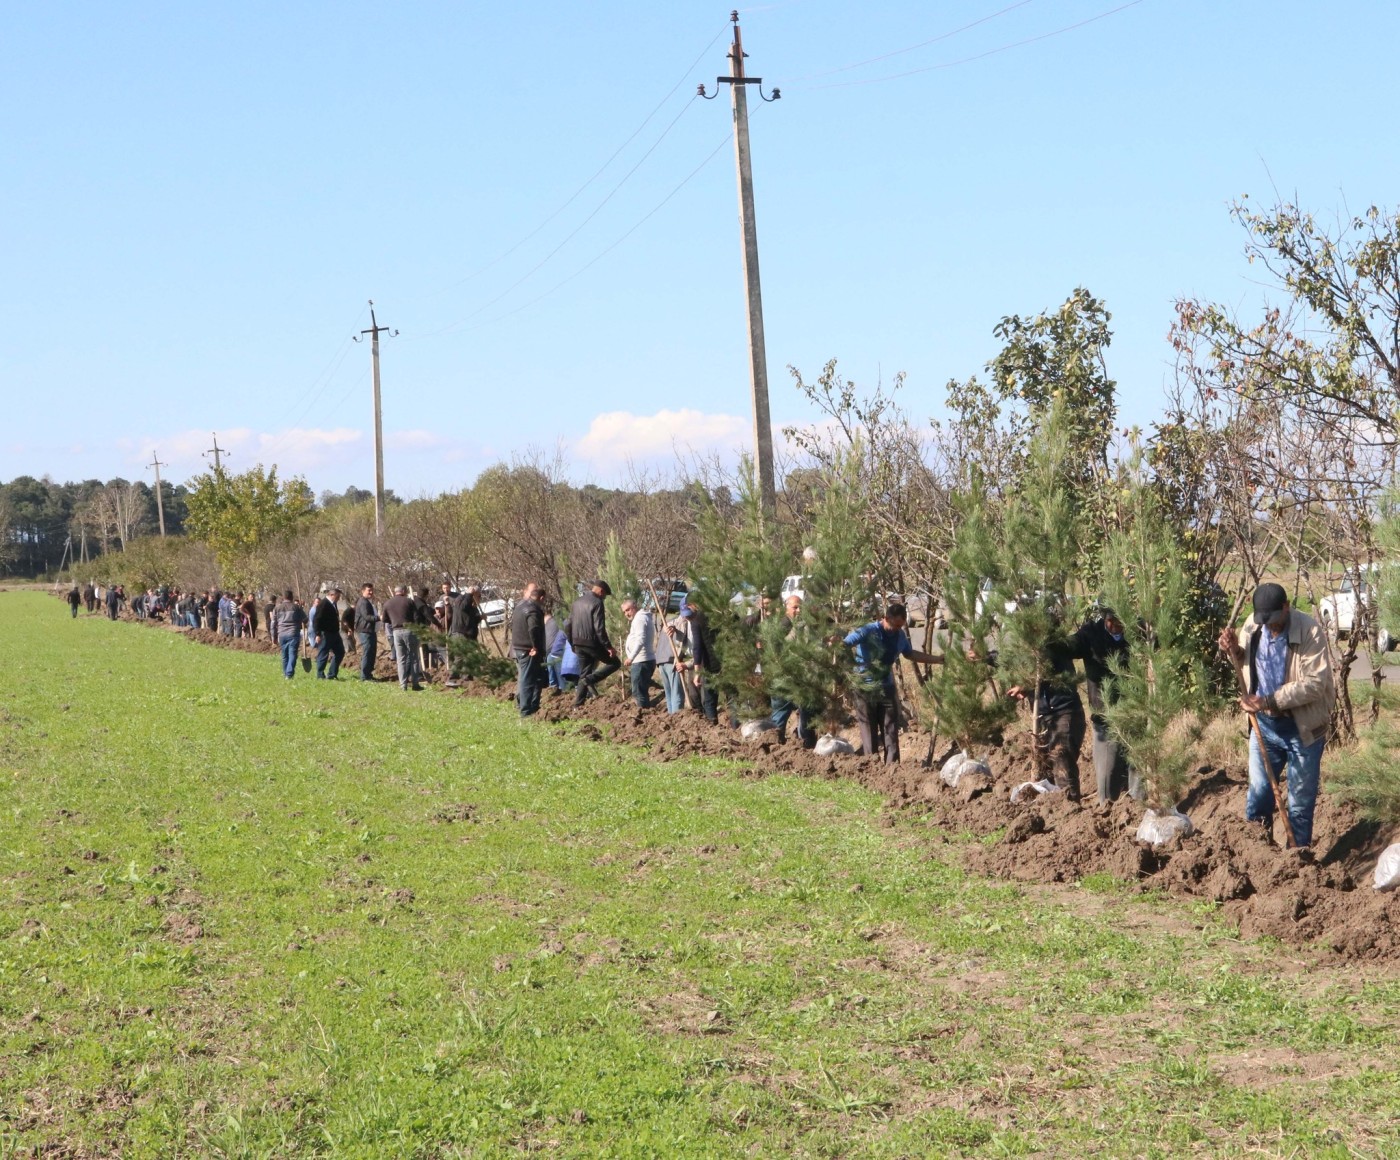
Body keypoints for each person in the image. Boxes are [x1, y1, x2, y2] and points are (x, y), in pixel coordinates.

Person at [1218, 582, 1336, 848]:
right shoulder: (1254, 623)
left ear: (1286, 607)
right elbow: (1245, 659)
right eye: (1263, 619)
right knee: (1258, 797)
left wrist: (1268, 700)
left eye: (1272, 618)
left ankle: (1297, 866)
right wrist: (1233, 651)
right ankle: (1257, 856)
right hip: (1265, 727)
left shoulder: (1310, 631)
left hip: (1302, 730)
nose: (1268, 624)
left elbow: (1314, 684)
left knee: (1299, 806)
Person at [843, 602, 943, 764]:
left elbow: (910, 655)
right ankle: (871, 765)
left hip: (886, 687)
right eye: (895, 625)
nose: (898, 628)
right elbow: (846, 643)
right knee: (868, 729)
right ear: (886, 618)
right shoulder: (868, 630)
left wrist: (936, 660)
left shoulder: (900, 635)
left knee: (890, 728)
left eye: (901, 626)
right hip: (864, 687)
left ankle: (892, 767)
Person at [1067, 608, 1143, 803]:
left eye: (1120, 620)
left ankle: (1137, 811)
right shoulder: (1091, 633)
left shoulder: (1139, 632)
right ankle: (1107, 816)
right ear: (1104, 617)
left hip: (1135, 713)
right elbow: (1069, 646)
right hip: (1105, 718)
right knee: (1108, 778)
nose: (1115, 625)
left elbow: (1164, 643)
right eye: (1110, 620)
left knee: (1138, 771)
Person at [769, 594, 818, 748]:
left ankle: (806, 746)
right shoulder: (783, 625)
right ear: (786, 608)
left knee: (806, 712)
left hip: (801, 677)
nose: (798, 610)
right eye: (794, 607)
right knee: (780, 712)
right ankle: (775, 744)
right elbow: (775, 651)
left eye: (800, 607)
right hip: (783, 676)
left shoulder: (803, 625)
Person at [564, 580, 620, 706]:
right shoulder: (597, 603)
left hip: (578, 643)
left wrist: (572, 642)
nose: (604, 598)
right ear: (601, 591)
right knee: (615, 663)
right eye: (605, 595)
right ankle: (590, 680)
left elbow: (567, 624)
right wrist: (608, 647)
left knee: (584, 672)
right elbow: (599, 628)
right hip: (591, 643)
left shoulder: (577, 602)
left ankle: (577, 705)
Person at [680, 592, 723, 724]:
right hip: (729, 662)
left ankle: (713, 728)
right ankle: (734, 728)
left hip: (711, 665)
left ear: (692, 605)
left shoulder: (697, 620)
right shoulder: (720, 614)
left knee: (710, 700)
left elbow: (697, 648)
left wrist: (697, 673)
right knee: (732, 699)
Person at [510, 582, 547, 717]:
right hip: (527, 649)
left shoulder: (520, 607)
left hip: (518, 647)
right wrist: (535, 646)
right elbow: (533, 628)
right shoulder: (533, 610)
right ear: (541, 598)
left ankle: (531, 706)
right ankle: (525, 710)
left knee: (529, 677)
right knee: (527, 679)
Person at [382, 585, 423, 691]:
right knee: (414, 657)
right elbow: (416, 617)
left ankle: (403, 685)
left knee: (401, 659)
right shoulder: (409, 601)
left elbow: (385, 619)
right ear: (404, 591)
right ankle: (415, 684)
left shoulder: (387, 603)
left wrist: (394, 620)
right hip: (409, 630)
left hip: (396, 632)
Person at [621, 597, 657, 709]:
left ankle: (644, 717)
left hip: (641, 661)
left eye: (628, 610)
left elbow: (640, 639)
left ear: (635, 607)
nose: (626, 614)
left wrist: (631, 657)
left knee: (638, 693)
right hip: (642, 660)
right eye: (624, 612)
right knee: (640, 691)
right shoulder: (641, 618)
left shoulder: (640, 619)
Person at [271, 589, 308, 680]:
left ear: (283, 597)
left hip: (282, 633)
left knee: (285, 655)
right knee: (292, 654)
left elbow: (273, 623)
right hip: (293, 633)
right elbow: (305, 620)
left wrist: (273, 637)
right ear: (291, 597)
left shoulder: (277, 608)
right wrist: (301, 610)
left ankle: (286, 673)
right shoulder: (296, 608)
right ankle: (289, 673)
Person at [312, 588, 345, 679]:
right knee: (323, 653)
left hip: (334, 633)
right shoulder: (324, 604)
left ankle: (332, 674)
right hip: (325, 633)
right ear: (332, 595)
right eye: (337, 596)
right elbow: (316, 619)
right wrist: (318, 633)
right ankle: (320, 674)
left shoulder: (333, 604)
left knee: (340, 652)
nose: (339, 599)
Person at [354, 583, 379, 681]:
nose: (371, 592)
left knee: (372, 652)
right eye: (369, 590)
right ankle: (364, 676)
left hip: (370, 630)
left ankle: (368, 674)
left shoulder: (367, 602)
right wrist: (379, 618)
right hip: (365, 630)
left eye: (372, 590)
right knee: (367, 652)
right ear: (362, 591)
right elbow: (367, 617)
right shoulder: (363, 602)